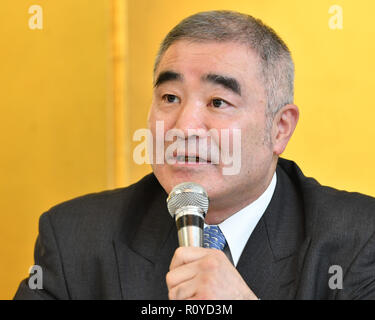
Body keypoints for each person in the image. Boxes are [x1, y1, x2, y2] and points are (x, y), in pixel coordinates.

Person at [14, 10, 375, 300]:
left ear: (279, 128)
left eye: (218, 102)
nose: (184, 127)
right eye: (170, 98)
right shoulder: (75, 238)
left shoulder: (359, 240)